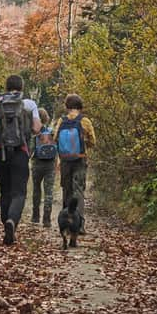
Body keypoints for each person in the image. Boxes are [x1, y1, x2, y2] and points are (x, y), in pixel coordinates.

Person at [0, 75, 42, 245]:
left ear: (6, 86)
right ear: (22, 87)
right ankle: (12, 222)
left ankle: (6, 225)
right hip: (20, 152)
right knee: (19, 192)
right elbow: (37, 128)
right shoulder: (28, 104)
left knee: (5, 191)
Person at [53, 94, 96, 233]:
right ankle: (80, 225)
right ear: (80, 106)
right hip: (80, 160)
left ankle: (65, 222)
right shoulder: (85, 121)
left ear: (67, 106)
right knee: (78, 191)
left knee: (67, 190)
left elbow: (55, 138)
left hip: (65, 159)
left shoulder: (62, 120)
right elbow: (93, 142)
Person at [31, 108, 57, 227]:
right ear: (46, 118)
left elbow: (30, 150)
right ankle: (47, 219)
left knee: (36, 189)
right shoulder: (51, 132)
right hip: (50, 165)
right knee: (49, 192)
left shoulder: (34, 133)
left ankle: (35, 216)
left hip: (37, 164)